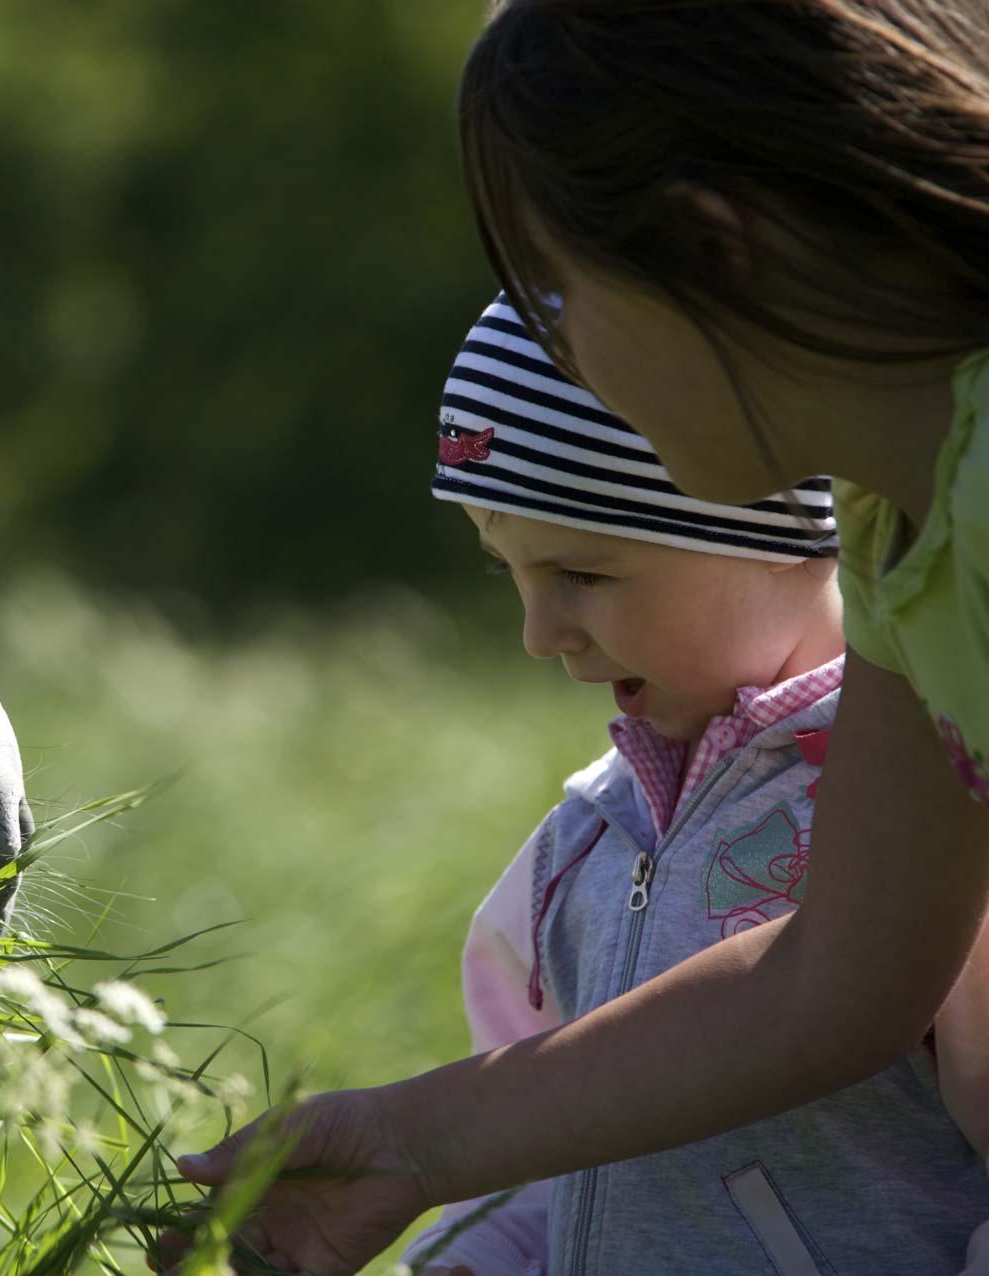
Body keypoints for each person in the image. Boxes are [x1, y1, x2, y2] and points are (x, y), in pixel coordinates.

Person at [164, 6, 989, 1272]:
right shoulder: (904, 526)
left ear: (711, 257)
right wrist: (413, 1139)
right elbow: (839, 976)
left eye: (561, 295)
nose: (553, 348)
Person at [397, 298, 988, 1274]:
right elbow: (537, 1162)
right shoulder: (578, 844)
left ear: (779, 526)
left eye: (583, 573)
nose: (540, 632)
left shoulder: (933, 813)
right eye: (509, 570)